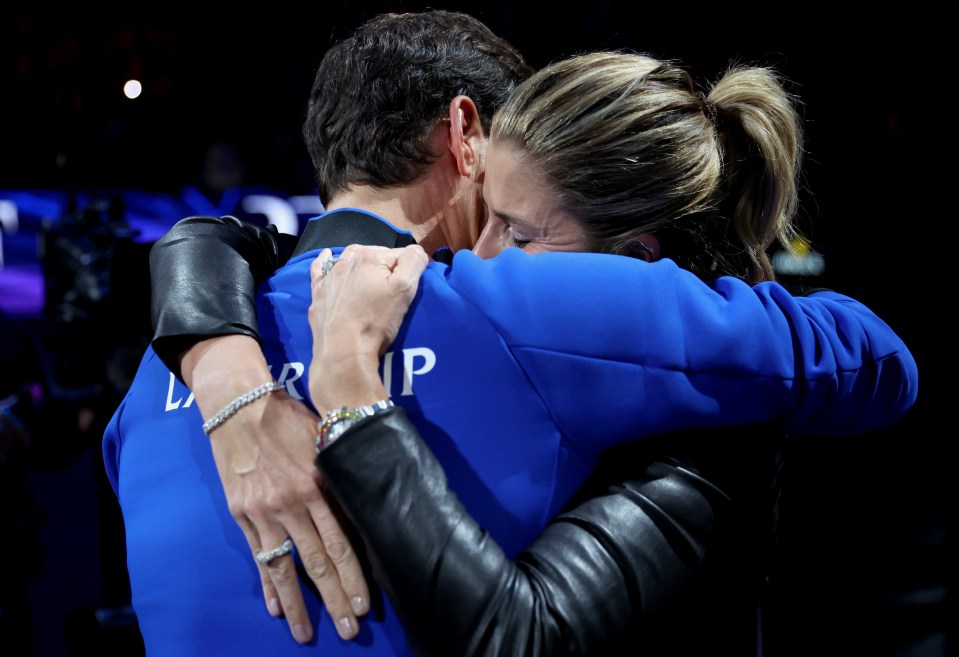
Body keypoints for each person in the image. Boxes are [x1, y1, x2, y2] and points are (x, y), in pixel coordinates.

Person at [104, 13, 918, 657]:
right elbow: (868, 354)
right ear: (467, 133)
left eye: (517, 227)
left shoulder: (156, 374)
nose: (495, 249)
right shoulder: (520, 307)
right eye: (492, 207)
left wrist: (230, 369)